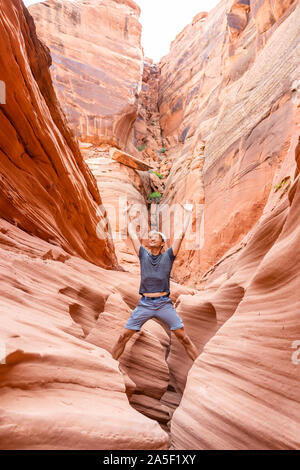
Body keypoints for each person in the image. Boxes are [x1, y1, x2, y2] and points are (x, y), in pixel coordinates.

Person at [112, 200, 199, 362]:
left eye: (155, 237)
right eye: (150, 237)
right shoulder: (143, 255)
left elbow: (180, 234)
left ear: (162, 243)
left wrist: (187, 213)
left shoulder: (168, 256)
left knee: (184, 338)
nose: (151, 238)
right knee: (122, 336)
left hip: (164, 304)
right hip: (144, 304)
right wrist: (125, 213)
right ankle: (109, 366)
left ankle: (202, 368)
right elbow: (132, 233)